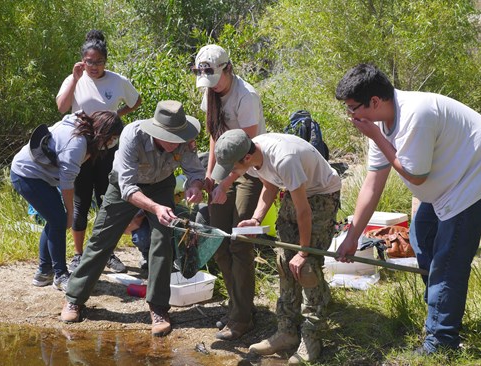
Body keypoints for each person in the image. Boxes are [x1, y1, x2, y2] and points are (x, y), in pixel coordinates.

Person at [334, 63, 481, 355]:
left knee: (448, 256)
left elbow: (415, 175)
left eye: (353, 108)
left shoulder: (415, 115)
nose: (351, 116)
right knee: (422, 238)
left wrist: (379, 139)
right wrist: (353, 236)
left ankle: (441, 343)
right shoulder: (379, 124)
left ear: (375, 102)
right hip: (452, 182)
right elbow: (372, 185)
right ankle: (441, 314)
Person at [60, 100, 206, 338]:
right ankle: (74, 299)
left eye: (178, 137)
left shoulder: (183, 139)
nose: (175, 143)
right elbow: (127, 188)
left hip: (161, 185)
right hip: (123, 186)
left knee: (162, 242)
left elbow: (195, 172)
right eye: (170, 137)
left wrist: (195, 186)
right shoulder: (132, 135)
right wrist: (155, 207)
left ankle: (158, 309)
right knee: (101, 240)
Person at [212, 129, 341, 364]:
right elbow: (270, 186)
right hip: (297, 192)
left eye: (233, 169)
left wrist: (303, 252)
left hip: (321, 194)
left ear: (247, 158)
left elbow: (304, 211)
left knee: (307, 267)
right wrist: (256, 219)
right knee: (284, 261)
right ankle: (287, 332)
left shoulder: (284, 159)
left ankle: (312, 337)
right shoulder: (251, 155)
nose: (232, 175)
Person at [192, 44, 266, 340]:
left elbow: (246, 153)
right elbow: (215, 137)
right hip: (224, 165)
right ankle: (238, 306)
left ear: (228, 69)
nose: (210, 85)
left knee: (240, 241)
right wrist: (210, 177)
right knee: (219, 241)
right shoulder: (209, 91)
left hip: (250, 166)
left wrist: (225, 183)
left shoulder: (246, 97)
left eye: (214, 77)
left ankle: (242, 319)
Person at [56, 29, 142, 274]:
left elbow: (136, 101)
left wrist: (116, 116)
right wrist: (74, 78)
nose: (93, 67)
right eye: (89, 62)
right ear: (82, 60)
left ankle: (107, 253)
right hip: (80, 151)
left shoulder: (117, 81)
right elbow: (62, 107)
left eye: (99, 62)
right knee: (81, 204)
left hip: (107, 152)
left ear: (106, 61)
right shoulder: (75, 78)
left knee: (108, 202)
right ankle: (78, 255)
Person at [10, 111, 123, 291]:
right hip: (26, 175)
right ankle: (60, 275)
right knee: (59, 221)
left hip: (41, 176)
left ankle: (43, 273)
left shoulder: (84, 131)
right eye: (112, 138)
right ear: (104, 133)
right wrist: (70, 213)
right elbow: (67, 184)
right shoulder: (76, 145)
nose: (112, 143)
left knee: (54, 219)